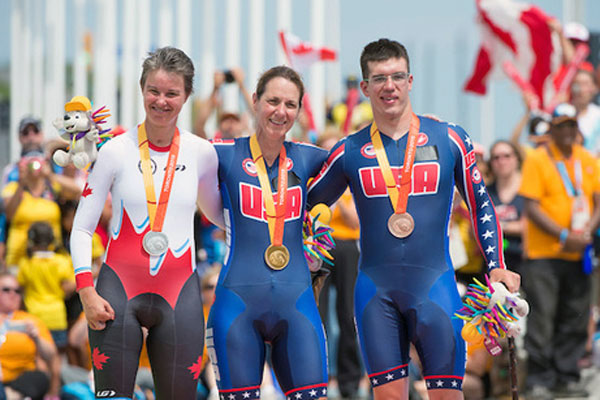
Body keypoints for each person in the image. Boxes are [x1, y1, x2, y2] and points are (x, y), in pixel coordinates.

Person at [306, 38, 520, 400]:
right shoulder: (348, 150)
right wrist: (311, 257)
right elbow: (302, 204)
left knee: (447, 396)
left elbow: (481, 203)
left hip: (435, 287)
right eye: (378, 78)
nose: (389, 86)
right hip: (376, 293)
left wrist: (496, 264)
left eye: (397, 76)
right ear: (365, 87)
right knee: (389, 397)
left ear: (410, 81)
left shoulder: (449, 138)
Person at [70, 46, 225, 399]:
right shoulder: (115, 151)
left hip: (179, 291)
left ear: (186, 96)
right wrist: (85, 290)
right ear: (142, 89)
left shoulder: (201, 152)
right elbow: (81, 227)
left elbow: (219, 215)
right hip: (116, 292)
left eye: (172, 93)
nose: (161, 101)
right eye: (154, 91)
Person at [208, 66, 329, 400]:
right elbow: (170, 147)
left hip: (298, 303)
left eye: (290, 104)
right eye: (273, 101)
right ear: (255, 101)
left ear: (299, 111)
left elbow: (362, 159)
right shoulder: (222, 153)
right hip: (237, 303)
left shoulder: (310, 158)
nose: (281, 111)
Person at [519, 102, 600, 400]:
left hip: (578, 253)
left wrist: (587, 231)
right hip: (545, 254)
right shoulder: (538, 159)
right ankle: (539, 379)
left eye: (571, 125)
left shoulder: (587, 159)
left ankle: (566, 376)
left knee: (575, 315)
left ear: (577, 129)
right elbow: (532, 207)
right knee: (542, 317)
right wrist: (565, 234)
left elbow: (597, 200)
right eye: (561, 125)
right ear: (552, 129)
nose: (567, 131)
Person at [1, 150, 79, 271]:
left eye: (37, 162)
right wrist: (21, 183)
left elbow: (76, 191)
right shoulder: (13, 188)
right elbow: (9, 214)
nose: (34, 166)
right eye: (30, 163)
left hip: (52, 259)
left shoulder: (53, 187)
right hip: (19, 259)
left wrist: (50, 175)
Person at [17, 221, 75, 351]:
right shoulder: (61, 261)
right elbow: (69, 287)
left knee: (38, 359)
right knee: (57, 361)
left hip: (34, 317)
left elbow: (20, 289)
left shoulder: (25, 263)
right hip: (57, 317)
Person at [0, 272, 58, 400]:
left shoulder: (30, 320)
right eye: (6, 290)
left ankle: (8, 395)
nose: (13, 294)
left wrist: (36, 337)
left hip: (23, 380)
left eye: (17, 291)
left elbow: (50, 355)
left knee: (39, 378)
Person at [486, 140, 525, 275]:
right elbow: (474, 228)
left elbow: (530, 226)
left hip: (526, 262)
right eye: (496, 157)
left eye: (506, 156)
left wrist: (498, 226)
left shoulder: (529, 189)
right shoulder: (485, 192)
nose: (501, 161)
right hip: (494, 263)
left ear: (517, 158)